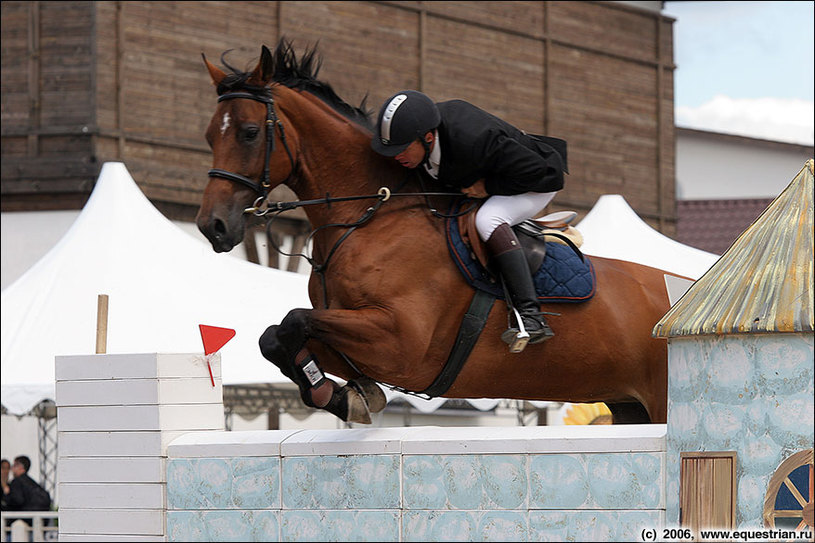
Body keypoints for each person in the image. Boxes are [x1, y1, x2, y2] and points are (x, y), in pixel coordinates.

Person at [370, 90, 568, 351]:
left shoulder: (474, 138)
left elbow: (544, 175)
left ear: (428, 138)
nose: (396, 157)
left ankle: (531, 315)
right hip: (497, 174)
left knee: (488, 219)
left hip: (535, 180)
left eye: (403, 149)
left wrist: (488, 187)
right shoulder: (423, 134)